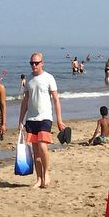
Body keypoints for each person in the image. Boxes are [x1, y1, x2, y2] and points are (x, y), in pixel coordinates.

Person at [17, 52, 66, 189]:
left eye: (36, 63)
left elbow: (56, 100)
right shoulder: (28, 79)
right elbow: (25, 100)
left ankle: (47, 173)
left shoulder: (49, 78)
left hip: (45, 118)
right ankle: (39, 179)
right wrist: (21, 119)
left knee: (43, 146)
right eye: (31, 63)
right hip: (31, 119)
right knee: (35, 151)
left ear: (42, 63)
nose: (34, 65)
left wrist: (59, 120)